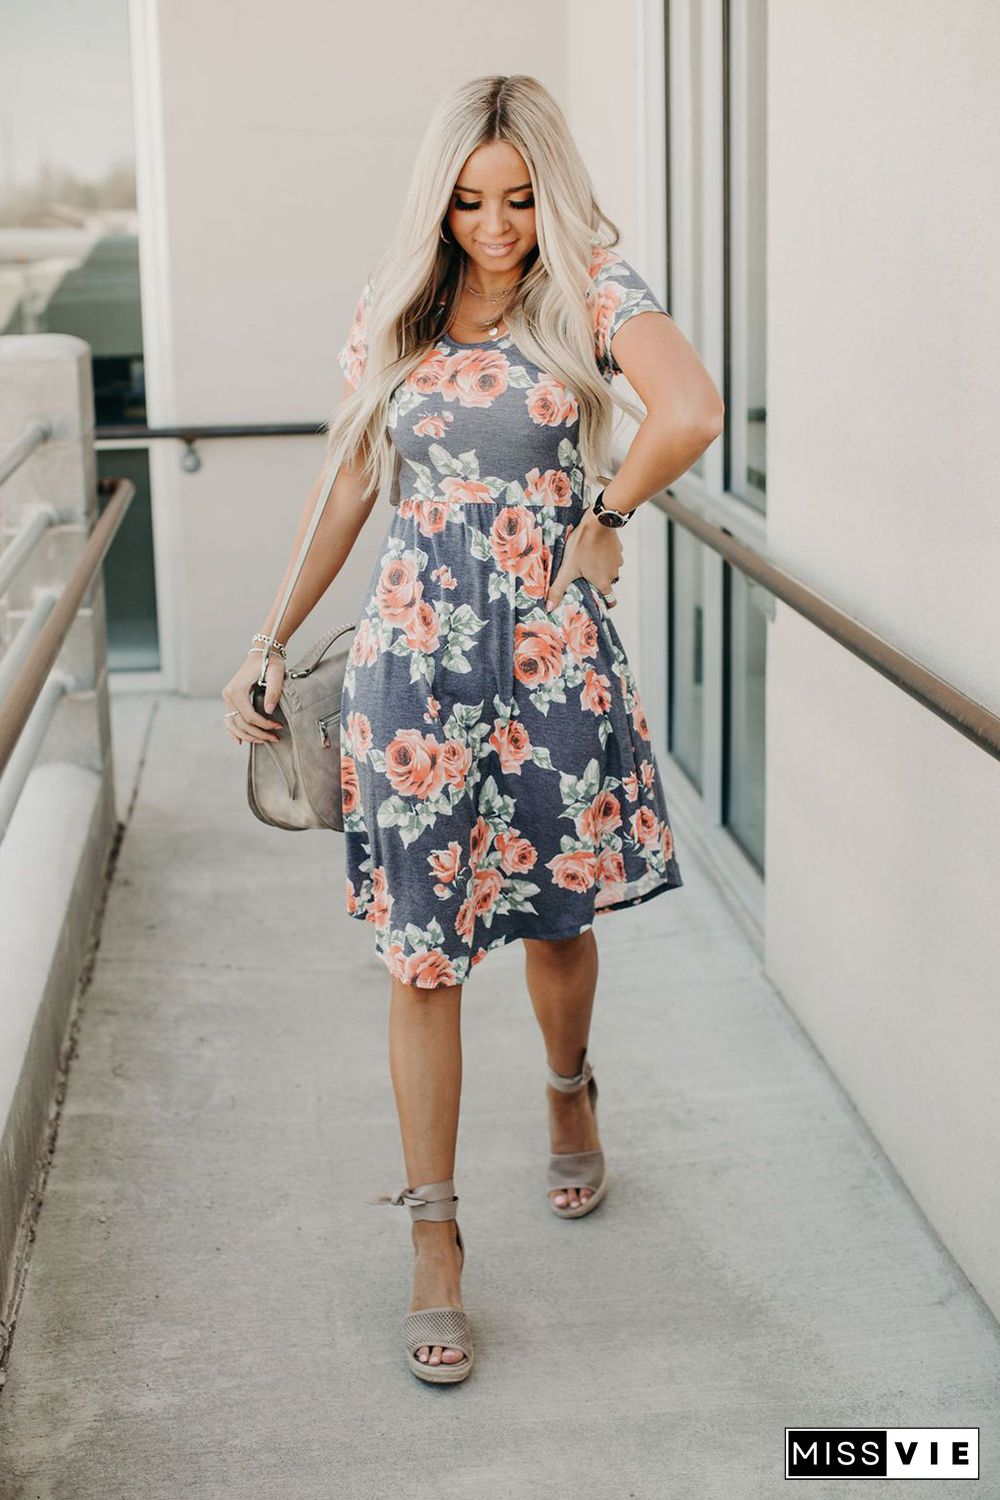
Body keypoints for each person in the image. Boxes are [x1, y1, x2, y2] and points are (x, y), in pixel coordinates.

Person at [221, 74, 723, 1384]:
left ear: (547, 191)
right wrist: (268, 640)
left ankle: (569, 1086)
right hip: (412, 672)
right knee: (424, 956)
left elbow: (692, 411)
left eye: (516, 200)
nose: (495, 227)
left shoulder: (598, 288)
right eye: (468, 200)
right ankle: (435, 1239)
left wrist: (605, 512)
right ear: (437, 196)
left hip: (553, 662)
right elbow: (347, 482)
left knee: (554, 928)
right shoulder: (395, 310)